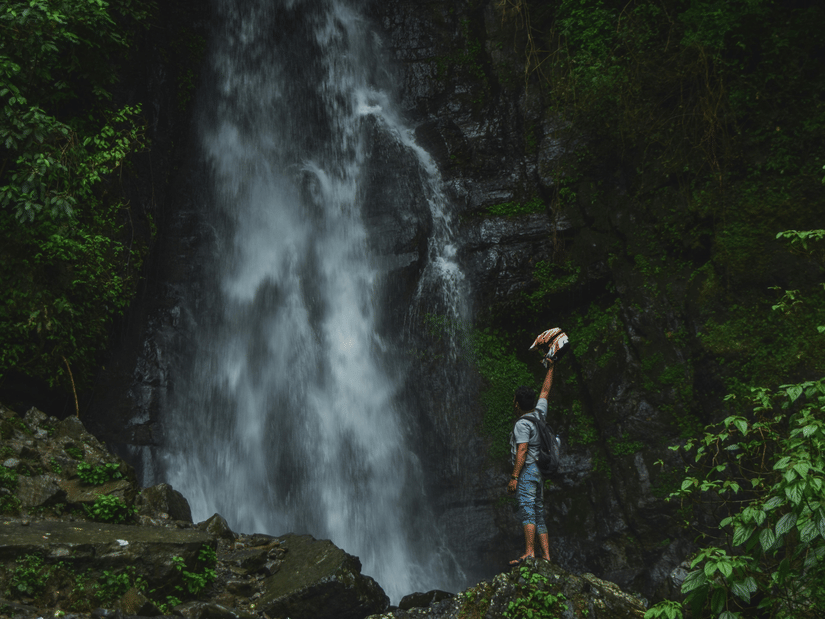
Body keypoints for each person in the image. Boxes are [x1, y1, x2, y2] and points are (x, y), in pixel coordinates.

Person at [507, 329, 560, 565]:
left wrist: (514, 476)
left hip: (528, 471)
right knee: (538, 512)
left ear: (517, 404)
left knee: (527, 508)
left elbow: (522, 450)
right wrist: (551, 367)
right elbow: (546, 391)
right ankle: (546, 557)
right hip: (540, 472)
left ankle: (530, 552)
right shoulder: (539, 413)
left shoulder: (521, 424)